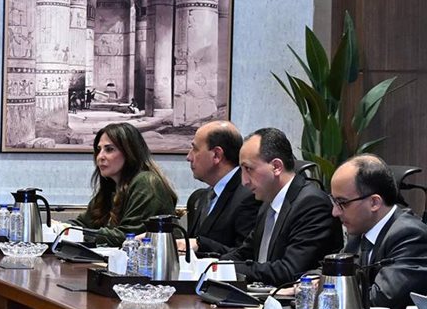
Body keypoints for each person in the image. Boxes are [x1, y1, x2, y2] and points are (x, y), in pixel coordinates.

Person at [218, 127, 342, 286]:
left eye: (248, 169)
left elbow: (290, 271)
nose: (244, 181)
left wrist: (229, 268)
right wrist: (214, 266)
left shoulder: (312, 204)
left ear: (276, 167)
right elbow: (245, 252)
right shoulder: (268, 202)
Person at [329, 154, 427, 309]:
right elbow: (332, 270)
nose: (335, 212)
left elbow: (380, 299)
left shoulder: (410, 235)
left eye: (342, 203)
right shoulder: (360, 231)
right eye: (334, 201)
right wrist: (306, 283)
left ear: (374, 202)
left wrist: (325, 291)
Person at [69, 122, 178, 247]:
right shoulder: (111, 187)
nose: (100, 157)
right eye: (98, 150)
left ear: (129, 152)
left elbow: (126, 236)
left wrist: (78, 233)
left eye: (109, 149)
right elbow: (82, 223)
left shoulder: (146, 182)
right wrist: (59, 228)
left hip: (158, 258)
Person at [184, 121, 260, 256]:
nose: (188, 157)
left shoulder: (249, 195)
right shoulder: (205, 195)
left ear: (217, 155)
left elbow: (246, 256)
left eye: (195, 149)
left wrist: (200, 244)